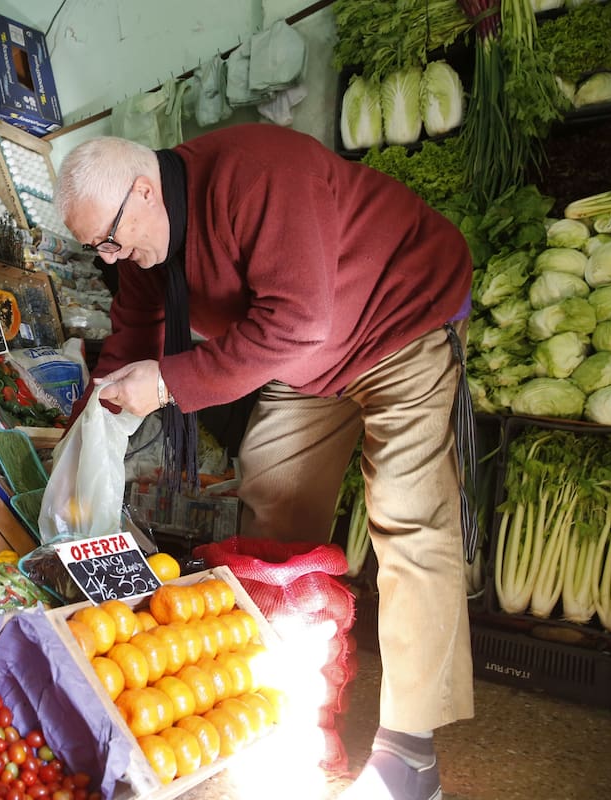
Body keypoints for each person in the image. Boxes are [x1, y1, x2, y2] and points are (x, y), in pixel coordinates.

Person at [56, 124, 475, 800]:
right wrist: (77, 436)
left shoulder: (256, 172)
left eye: (110, 237)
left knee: (408, 514)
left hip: (402, 317)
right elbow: (135, 335)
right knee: (273, 485)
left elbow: (296, 320)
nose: (112, 256)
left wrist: (166, 383)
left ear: (142, 190)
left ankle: (411, 751)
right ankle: (290, 687)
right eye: (96, 249)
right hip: (310, 360)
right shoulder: (143, 248)